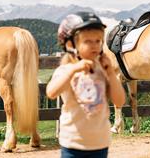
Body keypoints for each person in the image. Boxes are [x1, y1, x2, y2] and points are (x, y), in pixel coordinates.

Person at [46, 12, 126, 158]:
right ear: (70, 44)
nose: (95, 45)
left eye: (98, 41)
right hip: (73, 144)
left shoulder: (102, 69)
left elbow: (119, 101)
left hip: (100, 143)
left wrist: (111, 74)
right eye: (88, 41)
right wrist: (73, 70)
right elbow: (51, 92)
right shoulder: (66, 70)